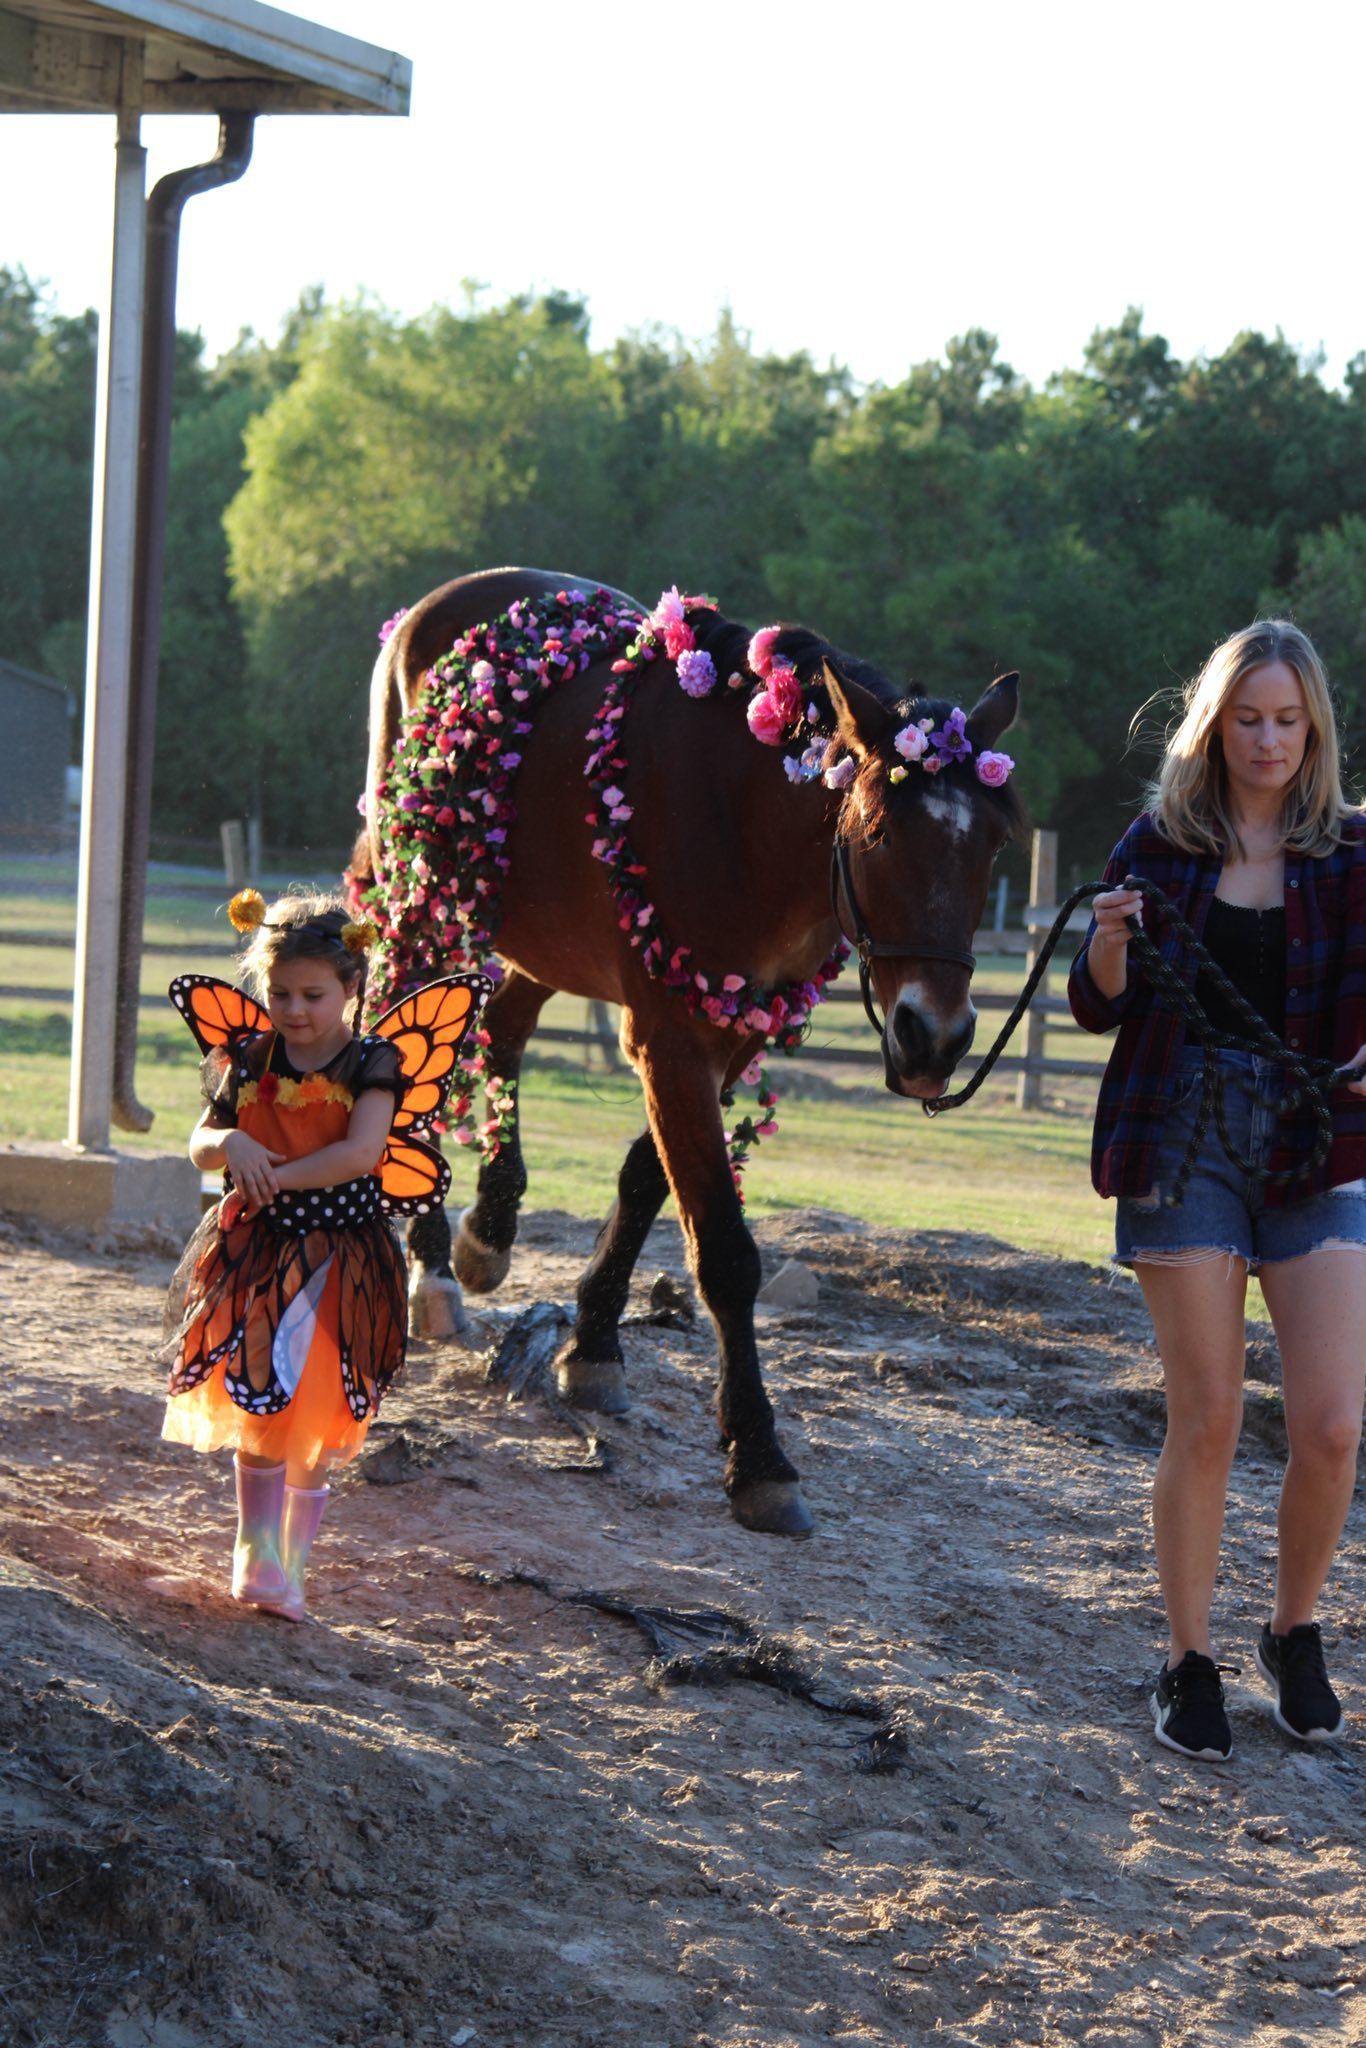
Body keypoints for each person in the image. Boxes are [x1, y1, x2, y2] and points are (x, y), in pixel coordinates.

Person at [1069, 620, 1366, 1763]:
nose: (1269, 738)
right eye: (1248, 716)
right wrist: (1106, 939)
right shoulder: (1155, 844)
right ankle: (1185, 1656)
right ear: (1215, 721)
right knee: (1208, 1416)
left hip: (1319, 1143)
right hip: (1182, 1133)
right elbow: (1100, 1007)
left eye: (1288, 718)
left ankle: (1292, 1630)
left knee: (1333, 1422)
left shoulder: (1349, 852)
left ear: (1314, 726)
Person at [162, 891, 409, 1622]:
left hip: (339, 1259)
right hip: (257, 1253)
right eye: (279, 993)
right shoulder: (246, 1057)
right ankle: (256, 1554)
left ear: (351, 988)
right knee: (258, 1392)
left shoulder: (372, 1062)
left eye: (312, 994)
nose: (294, 1010)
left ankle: (291, 1567)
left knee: (316, 1410)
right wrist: (232, 1146)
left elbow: (362, 1152)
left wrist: (273, 1176)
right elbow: (201, 1141)